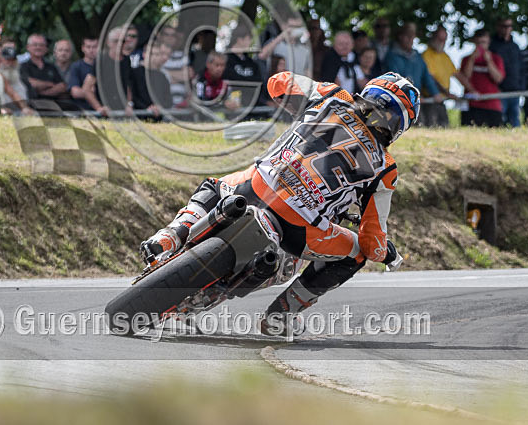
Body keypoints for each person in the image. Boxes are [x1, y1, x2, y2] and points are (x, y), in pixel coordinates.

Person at [139, 71, 416, 327]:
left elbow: (277, 83)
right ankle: (282, 314)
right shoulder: (386, 168)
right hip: (300, 228)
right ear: (400, 126)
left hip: (256, 187)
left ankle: (170, 237)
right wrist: (383, 252)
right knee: (356, 255)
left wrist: (299, 105)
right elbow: (372, 243)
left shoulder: (332, 95)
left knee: (213, 187)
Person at [385, 23, 442, 101]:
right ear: (400, 37)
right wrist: (413, 96)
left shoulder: (417, 56)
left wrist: (435, 93)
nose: (410, 39)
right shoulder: (392, 57)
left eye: (412, 36)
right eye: (407, 36)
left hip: (417, 101)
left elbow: (427, 77)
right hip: (399, 102)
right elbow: (395, 81)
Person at [460, 29, 505, 127]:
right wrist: (472, 59)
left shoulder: (496, 58)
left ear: (488, 43)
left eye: (483, 43)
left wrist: (489, 62)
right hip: (472, 105)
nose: (481, 46)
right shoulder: (466, 59)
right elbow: (465, 77)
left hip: (492, 105)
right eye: (478, 43)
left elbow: (499, 79)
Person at [421, 25, 460, 127]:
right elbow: (431, 79)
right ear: (433, 38)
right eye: (440, 39)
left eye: (444, 39)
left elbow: (457, 74)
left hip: (441, 100)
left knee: (444, 127)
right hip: (430, 99)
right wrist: (447, 93)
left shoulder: (445, 56)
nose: (442, 42)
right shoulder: (426, 55)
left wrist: (472, 89)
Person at [490, 18, 525, 127]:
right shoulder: (492, 46)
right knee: (499, 121)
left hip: (514, 91)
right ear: (498, 27)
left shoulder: (515, 47)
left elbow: (521, 69)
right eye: (504, 26)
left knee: (515, 121)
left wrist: (521, 87)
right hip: (499, 92)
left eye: (509, 26)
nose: (506, 29)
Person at [19, 33, 70, 107]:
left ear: (46, 49)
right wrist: (51, 84)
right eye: (35, 45)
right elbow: (31, 83)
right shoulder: (23, 66)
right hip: (32, 107)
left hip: (53, 107)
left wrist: (40, 93)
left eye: (41, 45)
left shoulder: (52, 66)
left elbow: (62, 86)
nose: (38, 47)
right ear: (28, 47)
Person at [224, 29, 264, 109]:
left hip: (252, 105)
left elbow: (259, 81)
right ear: (239, 40)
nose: (250, 42)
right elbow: (229, 79)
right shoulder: (225, 60)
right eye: (248, 39)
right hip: (231, 105)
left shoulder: (252, 63)